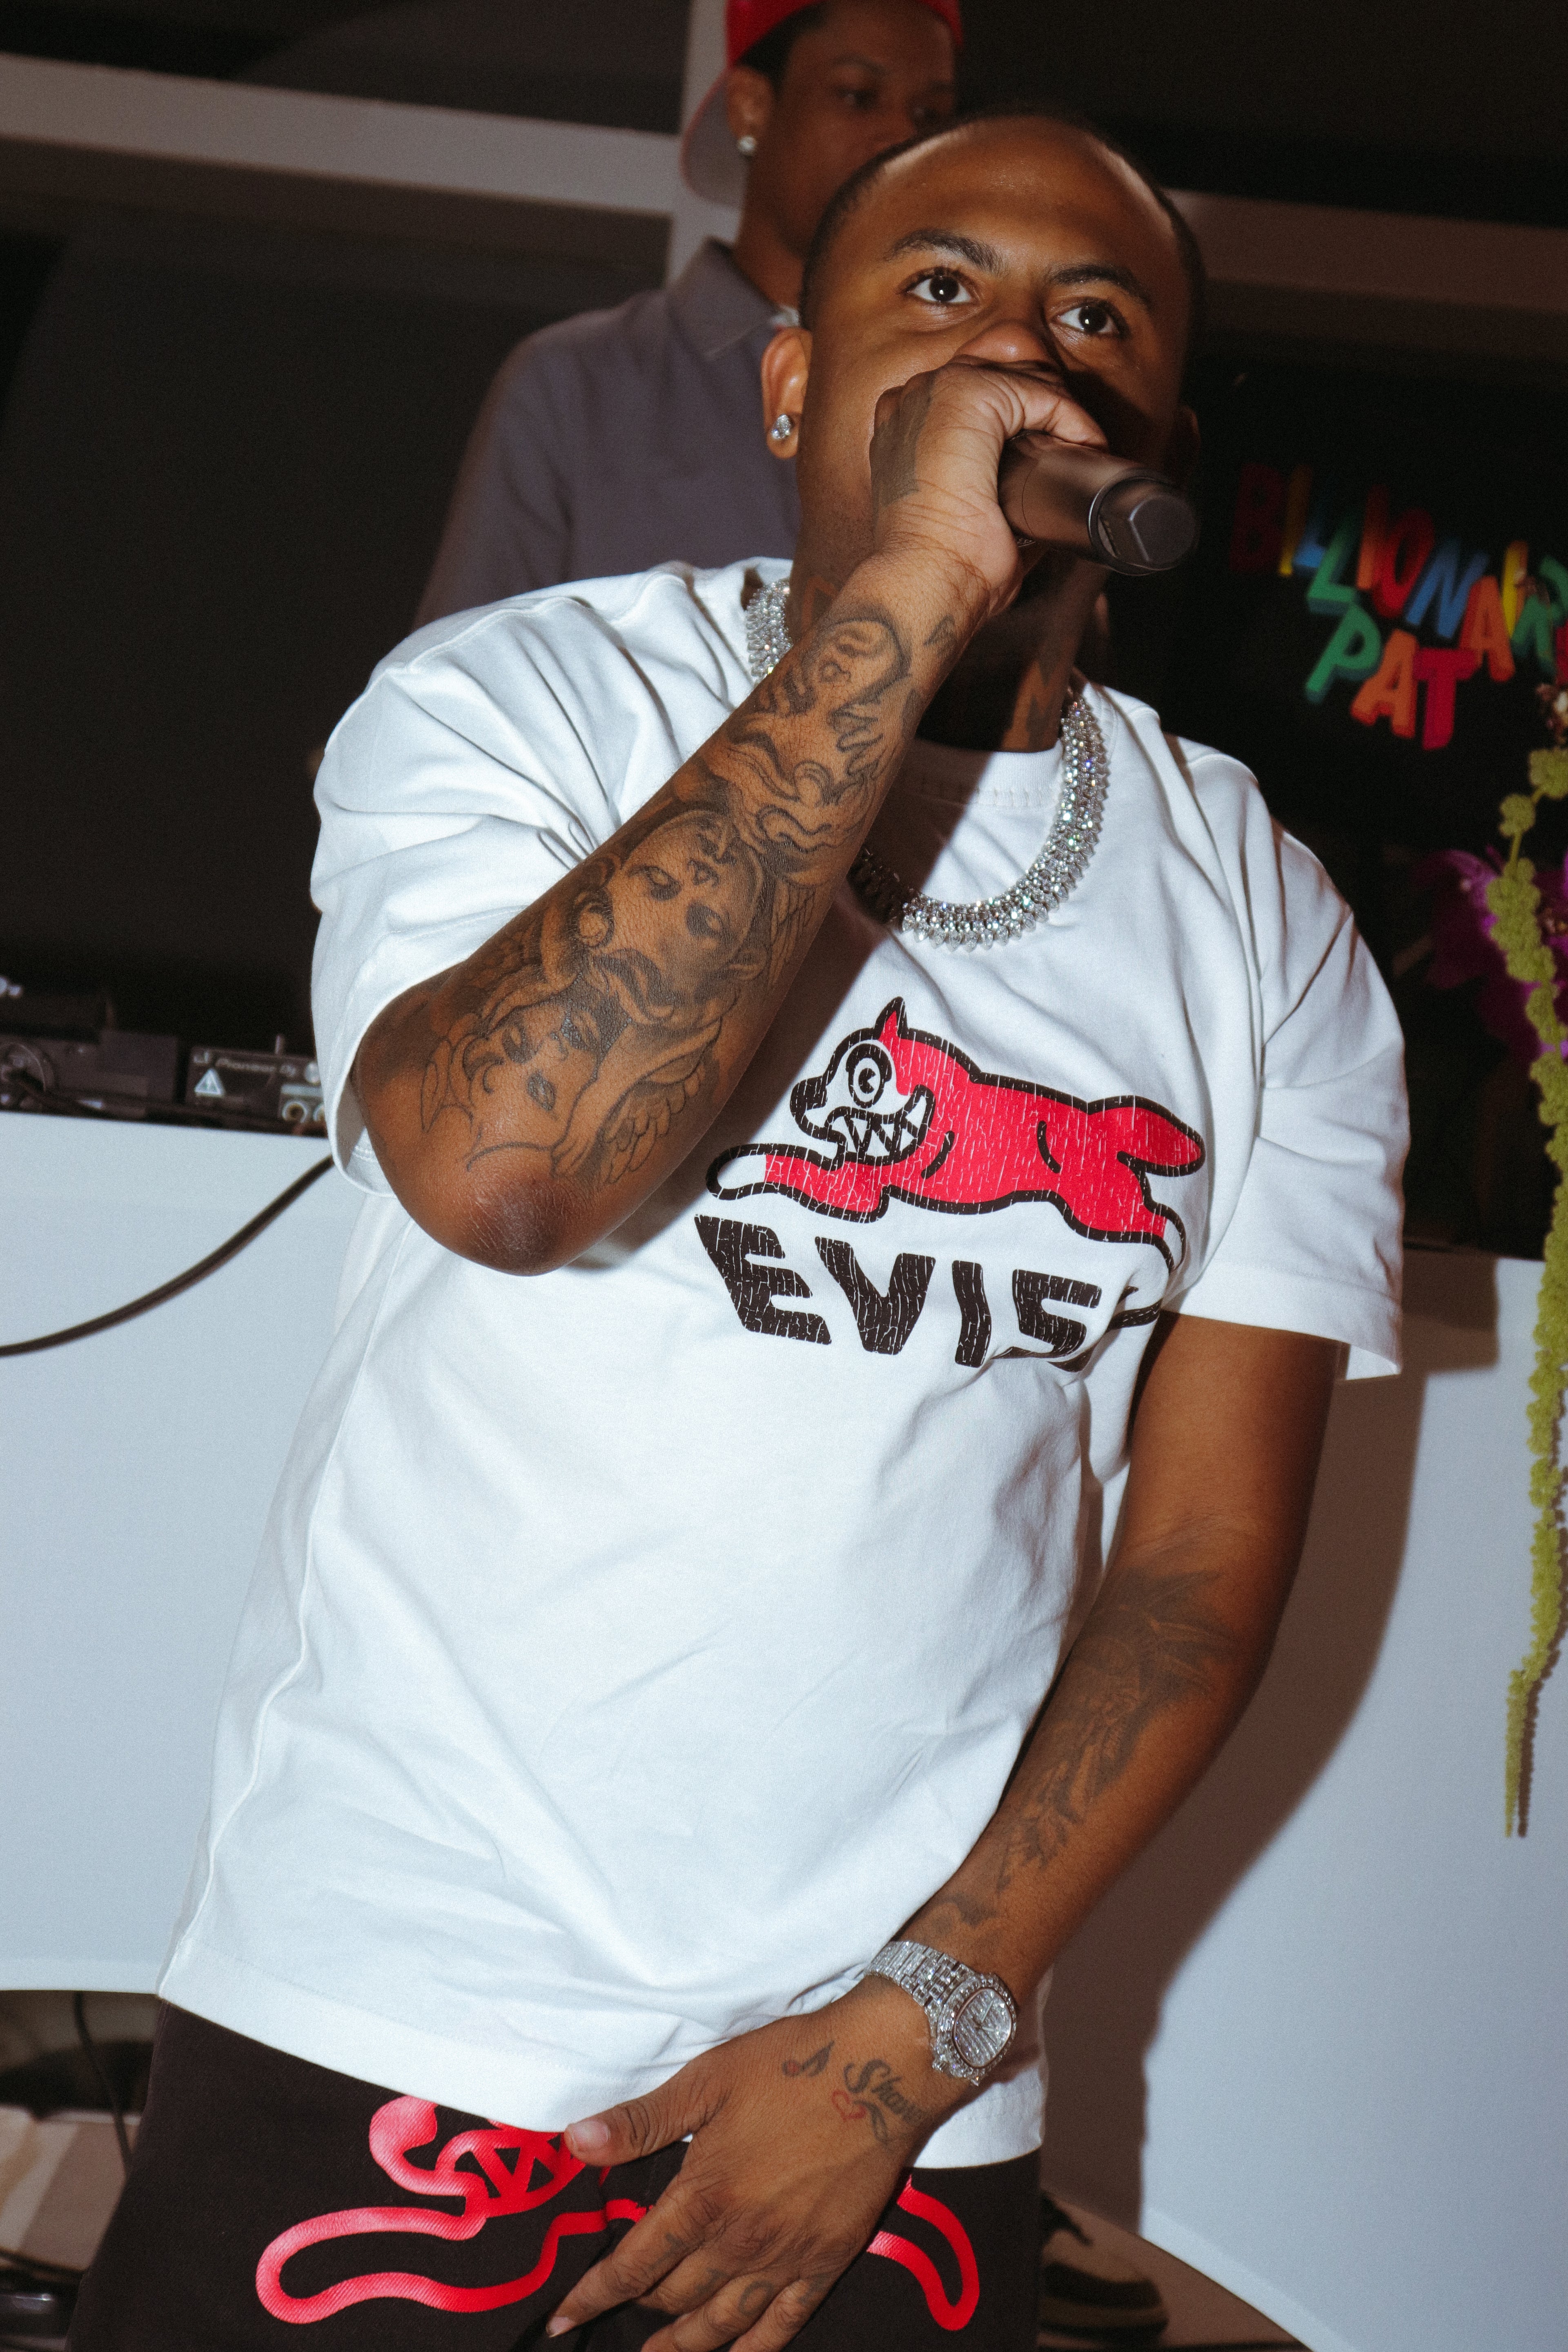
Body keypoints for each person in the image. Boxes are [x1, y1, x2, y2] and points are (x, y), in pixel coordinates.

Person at [73, 111, 1406, 2351]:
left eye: (1094, 318)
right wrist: (907, 594)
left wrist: (913, 2031)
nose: (1022, 355)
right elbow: (512, 1172)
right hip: (399, 2022)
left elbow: (1196, 1565)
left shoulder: (1255, 913)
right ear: (793, 385)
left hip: (877, 2100)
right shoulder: (520, 707)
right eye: (943, 289)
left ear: (1159, 448)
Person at [414, 0, 959, 624]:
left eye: (931, 115)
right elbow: (457, 664)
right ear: (751, 106)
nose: (902, 138)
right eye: (858, 96)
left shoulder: (959, 387)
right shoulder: (578, 381)